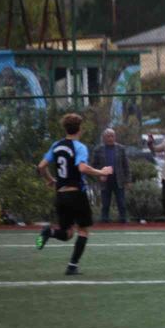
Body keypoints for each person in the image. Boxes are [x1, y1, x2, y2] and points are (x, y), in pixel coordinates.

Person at [35, 113, 113, 275]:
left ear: (65, 128)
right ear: (80, 129)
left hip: (61, 195)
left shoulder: (56, 145)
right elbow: (82, 168)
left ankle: (48, 232)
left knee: (67, 233)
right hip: (76, 194)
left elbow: (41, 166)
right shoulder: (79, 147)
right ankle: (72, 266)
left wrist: (50, 180)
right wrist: (101, 171)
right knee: (83, 230)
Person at [91, 128, 131, 223]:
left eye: (112, 136)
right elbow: (93, 166)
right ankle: (105, 223)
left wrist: (128, 180)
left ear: (115, 137)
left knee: (121, 203)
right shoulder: (98, 149)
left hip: (118, 180)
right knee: (105, 204)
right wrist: (99, 174)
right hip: (105, 180)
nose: (110, 138)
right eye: (108, 136)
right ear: (104, 138)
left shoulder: (121, 149)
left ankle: (123, 222)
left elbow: (126, 165)